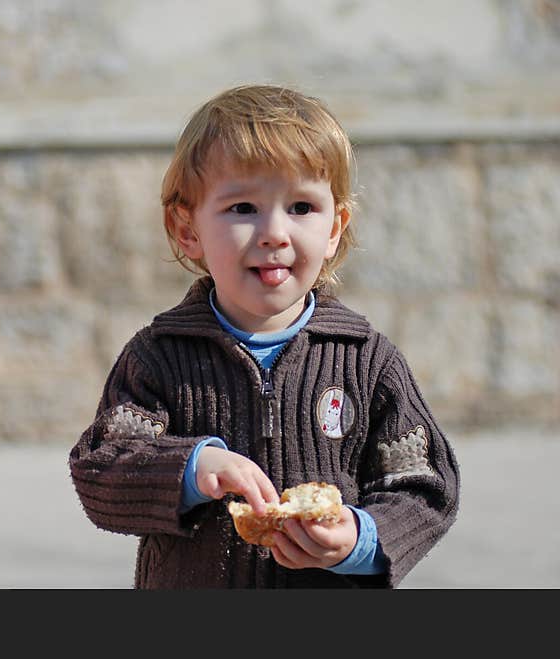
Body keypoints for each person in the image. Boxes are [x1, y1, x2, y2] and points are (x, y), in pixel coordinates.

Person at [69, 85, 460, 588]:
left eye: (301, 207)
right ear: (187, 229)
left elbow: (423, 484)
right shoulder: (160, 356)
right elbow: (101, 467)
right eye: (243, 208)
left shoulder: (366, 360)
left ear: (335, 228)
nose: (275, 232)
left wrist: (361, 538)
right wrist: (191, 468)